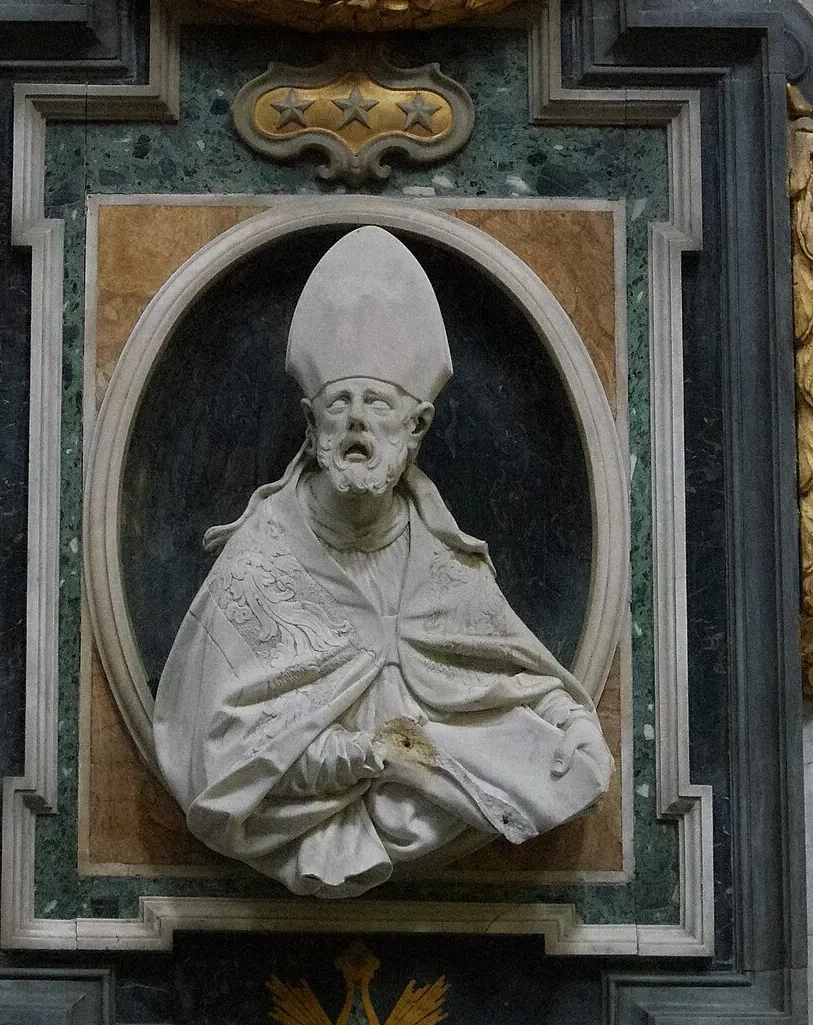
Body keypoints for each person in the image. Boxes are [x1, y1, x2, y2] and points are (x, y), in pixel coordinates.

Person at [153, 225, 613, 897]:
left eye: (378, 404)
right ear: (312, 429)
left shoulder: (443, 562)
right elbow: (223, 761)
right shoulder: (256, 570)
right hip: (306, 823)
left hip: (440, 792)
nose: (358, 425)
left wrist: (570, 722)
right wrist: (367, 755)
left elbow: (501, 677)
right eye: (340, 406)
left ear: (416, 426)